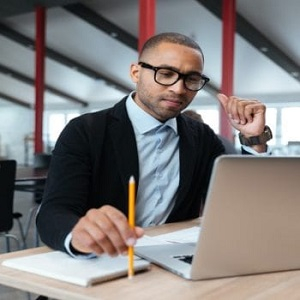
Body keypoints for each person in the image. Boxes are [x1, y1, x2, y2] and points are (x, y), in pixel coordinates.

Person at [36, 32, 271, 258]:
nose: (178, 89)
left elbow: (238, 206)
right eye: (166, 73)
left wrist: (254, 139)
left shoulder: (201, 137)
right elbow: (52, 213)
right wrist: (79, 234)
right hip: (103, 258)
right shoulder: (86, 131)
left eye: (191, 79)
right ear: (136, 73)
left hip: (171, 264)